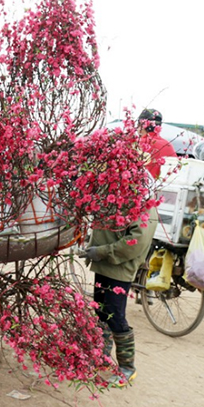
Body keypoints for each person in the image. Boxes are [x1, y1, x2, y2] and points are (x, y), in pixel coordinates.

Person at [79, 109, 173, 387]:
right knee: (100, 312)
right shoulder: (118, 194)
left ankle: (128, 366)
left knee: (115, 316)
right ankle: (102, 358)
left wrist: (102, 251)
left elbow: (135, 242)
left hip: (119, 267)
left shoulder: (142, 202)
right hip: (105, 264)